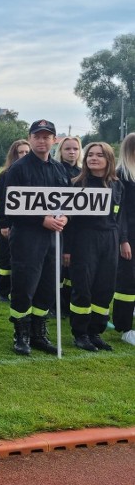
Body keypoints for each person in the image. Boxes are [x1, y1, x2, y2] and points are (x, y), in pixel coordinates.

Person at [0, 119, 69, 356]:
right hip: (27, 236)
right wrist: (42, 219)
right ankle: (21, 334)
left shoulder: (60, 169)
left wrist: (65, 217)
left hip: (52, 239)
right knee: (25, 286)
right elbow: (11, 207)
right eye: (37, 136)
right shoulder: (18, 169)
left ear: (54, 140)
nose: (42, 140)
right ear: (30, 138)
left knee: (48, 286)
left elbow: (67, 202)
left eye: (47, 136)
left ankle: (39, 333)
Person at [65, 142, 126, 351]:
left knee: (105, 288)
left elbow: (121, 217)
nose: (93, 158)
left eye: (99, 155)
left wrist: (122, 240)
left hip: (109, 238)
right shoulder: (76, 183)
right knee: (83, 287)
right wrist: (67, 249)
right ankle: (80, 333)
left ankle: (96, 332)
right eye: (90, 155)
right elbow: (69, 221)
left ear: (108, 159)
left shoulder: (117, 184)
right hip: (84, 239)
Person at [0, 140, 30, 302]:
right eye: (20, 152)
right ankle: (3, 291)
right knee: (6, 259)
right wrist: (4, 224)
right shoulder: (6, 174)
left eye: (26, 152)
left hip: (26, 225)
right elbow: (2, 201)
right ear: (14, 155)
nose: (23, 155)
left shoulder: (31, 173)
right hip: (9, 224)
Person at [54, 136, 83, 316]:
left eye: (75, 149)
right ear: (61, 151)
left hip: (80, 228)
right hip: (61, 226)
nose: (71, 152)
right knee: (60, 269)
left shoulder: (83, 172)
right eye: (67, 149)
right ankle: (56, 304)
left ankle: (68, 304)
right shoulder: (57, 171)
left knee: (73, 270)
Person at [113, 133, 135, 346]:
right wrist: (124, 239)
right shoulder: (122, 175)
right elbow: (122, 213)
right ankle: (124, 327)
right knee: (126, 282)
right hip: (129, 237)